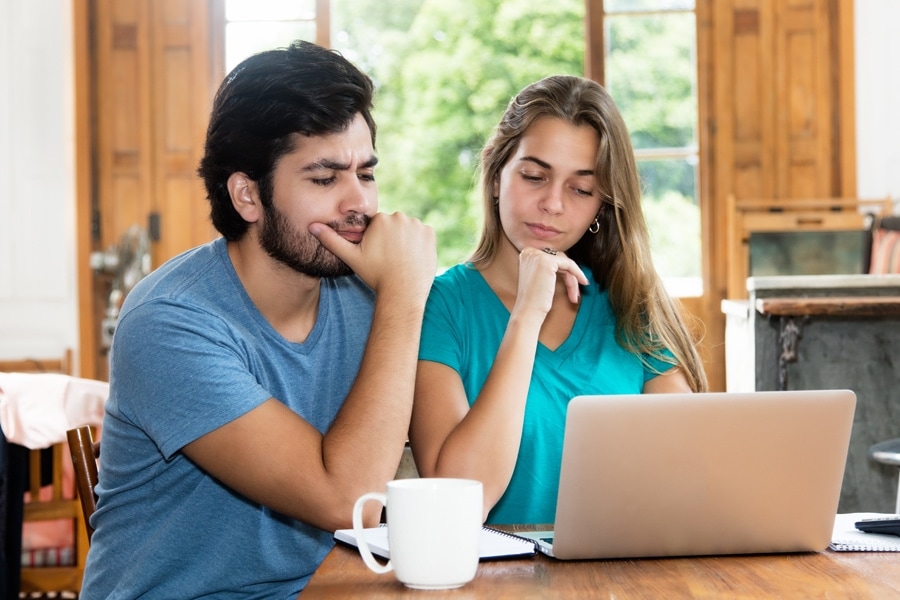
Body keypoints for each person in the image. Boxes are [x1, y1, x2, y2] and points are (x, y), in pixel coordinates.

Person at [80, 40, 436, 598]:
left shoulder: (364, 295)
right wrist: (403, 297)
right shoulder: (169, 321)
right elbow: (348, 498)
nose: (360, 203)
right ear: (248, 195)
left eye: (365, 174)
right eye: (324, 179)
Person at [408, 75, 708, 526]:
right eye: (534, 176)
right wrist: (526, 315)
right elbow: (459, 497)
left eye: (581, 189)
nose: (552, 203)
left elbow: (695, 477)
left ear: (601, 207)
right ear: (495, 175)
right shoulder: (440, 305)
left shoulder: (630, 304)